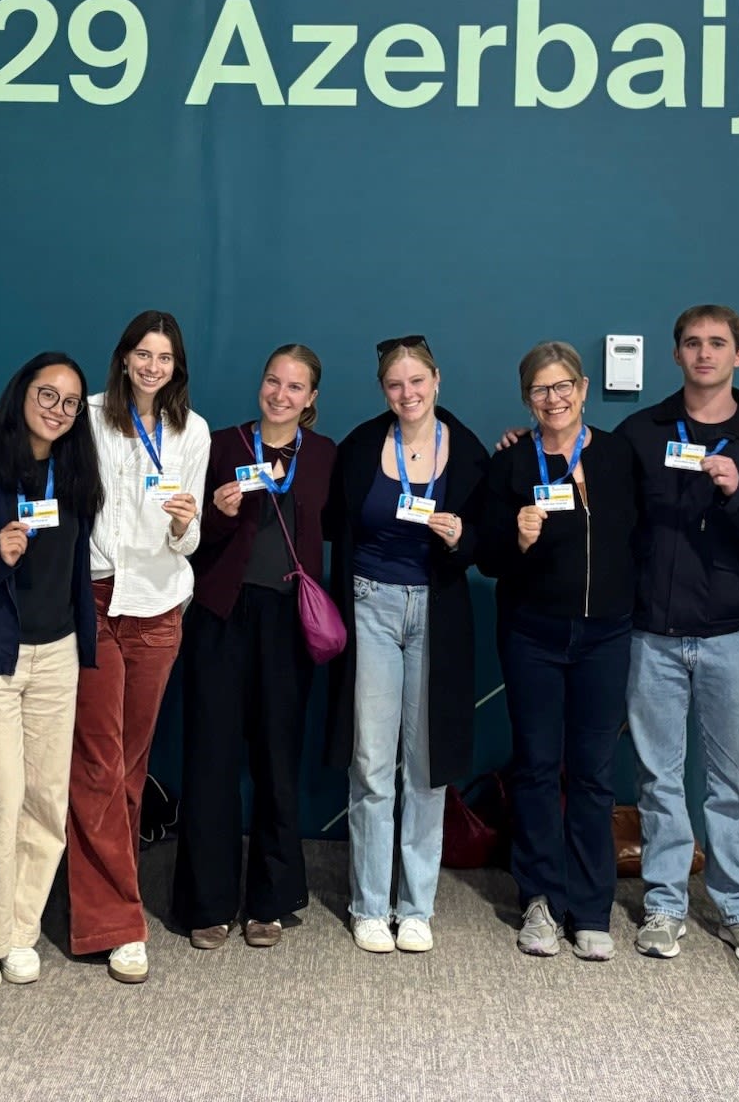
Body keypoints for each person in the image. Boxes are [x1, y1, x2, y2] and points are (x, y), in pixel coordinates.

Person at [616, 306, 739, 966]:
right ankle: (665, 904)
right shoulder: (641, 433)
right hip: (652, 635)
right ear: (676, 355)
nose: (704, 354)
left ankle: (738, 907)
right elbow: (603, 505)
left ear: (738, 356)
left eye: (717, 344)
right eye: (692, 343)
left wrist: (738, 491)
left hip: (730, 638)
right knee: (658, 779)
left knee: (731, 783)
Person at [0, 353, 104, 990]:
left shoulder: (75, 473)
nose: (58, 409)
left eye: (70, 402)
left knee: (43, 802)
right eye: (47, 394)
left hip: (56, 654)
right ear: (21, 394)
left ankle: (17, 930)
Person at [473, 342, 640, 961]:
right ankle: (540, 899)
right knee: (538, 768)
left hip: (606, 636)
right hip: (532, 635)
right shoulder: (513, 461)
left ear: (584, 388)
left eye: (563, 385)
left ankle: (591, 910)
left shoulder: (618, 455)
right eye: (541, 389)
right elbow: (487, 557)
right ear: (527, 399)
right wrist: (516, 540)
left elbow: (643, 535)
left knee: (593, 774)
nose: (554, 398)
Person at [172, 345, 337, 951]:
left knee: (277, 759)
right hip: (221, 615)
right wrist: (217, 515)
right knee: (211, 758)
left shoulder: (324, 455)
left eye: (295, 387)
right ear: (260, 383)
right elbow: (187, 535)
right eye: (273, 381)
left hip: (289, 621)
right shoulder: (222, 446)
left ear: (311, 398)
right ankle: (208, 902)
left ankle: (270, 899)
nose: (281, 394)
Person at [326, 335, 487, 955]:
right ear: (383, 390)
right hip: (369, 604)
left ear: (436, 380)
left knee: (426, 764)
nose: (408, 393)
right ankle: (369, 905)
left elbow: (487, 543)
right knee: (371, 762)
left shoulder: (468, 451)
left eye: (417, 381)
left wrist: (461, 537)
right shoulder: (360, 447)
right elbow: (332, 523)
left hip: (436, 613)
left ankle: (416, 907)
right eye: (395, 384)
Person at [69, 310, 210, 984]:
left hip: (157, 607)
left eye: (165, 357)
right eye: (143, 354)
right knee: (97, 764)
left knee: (129, 766)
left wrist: (184, 525)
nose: (153, 366)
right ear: (124, 358)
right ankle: (117, 922)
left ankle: (108, 898)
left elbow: (191, 539)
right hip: (96, 600)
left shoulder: (192, 431)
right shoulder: (89, 416)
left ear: (176, 367)